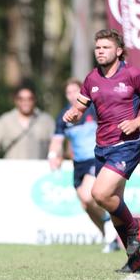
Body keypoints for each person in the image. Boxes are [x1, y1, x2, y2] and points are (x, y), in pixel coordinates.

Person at [63, 29, 140, 273]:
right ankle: (135, 260)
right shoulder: (91, 79)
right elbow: (79, 108)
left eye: (105, 47)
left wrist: (137, 122)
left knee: (99, 194)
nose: (100, 51)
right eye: (97, 48)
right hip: (102, 148)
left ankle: (136, 227)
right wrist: (73, 114)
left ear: (119, 51)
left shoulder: (132, 75)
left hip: (126, 146)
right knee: (114, 205)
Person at [48, 78, 119, 254]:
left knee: (88, 197)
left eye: (75, 91)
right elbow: (57, 141)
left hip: (96, 158)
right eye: (69, 92)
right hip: (78, 164)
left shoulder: (93, 109)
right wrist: (53, 156)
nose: (72, 96)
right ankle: (110, 238)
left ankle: (111, 226)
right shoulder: (64, 116)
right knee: (86, 205)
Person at [0, 84, 55, 161]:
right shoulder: (5, 121)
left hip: (40, 172)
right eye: (21, 99)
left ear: (35, 99)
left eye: (29, 98)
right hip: (12, 172)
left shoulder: (46, 121)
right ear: (16, 100)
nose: (25, 102)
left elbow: (56, 144)